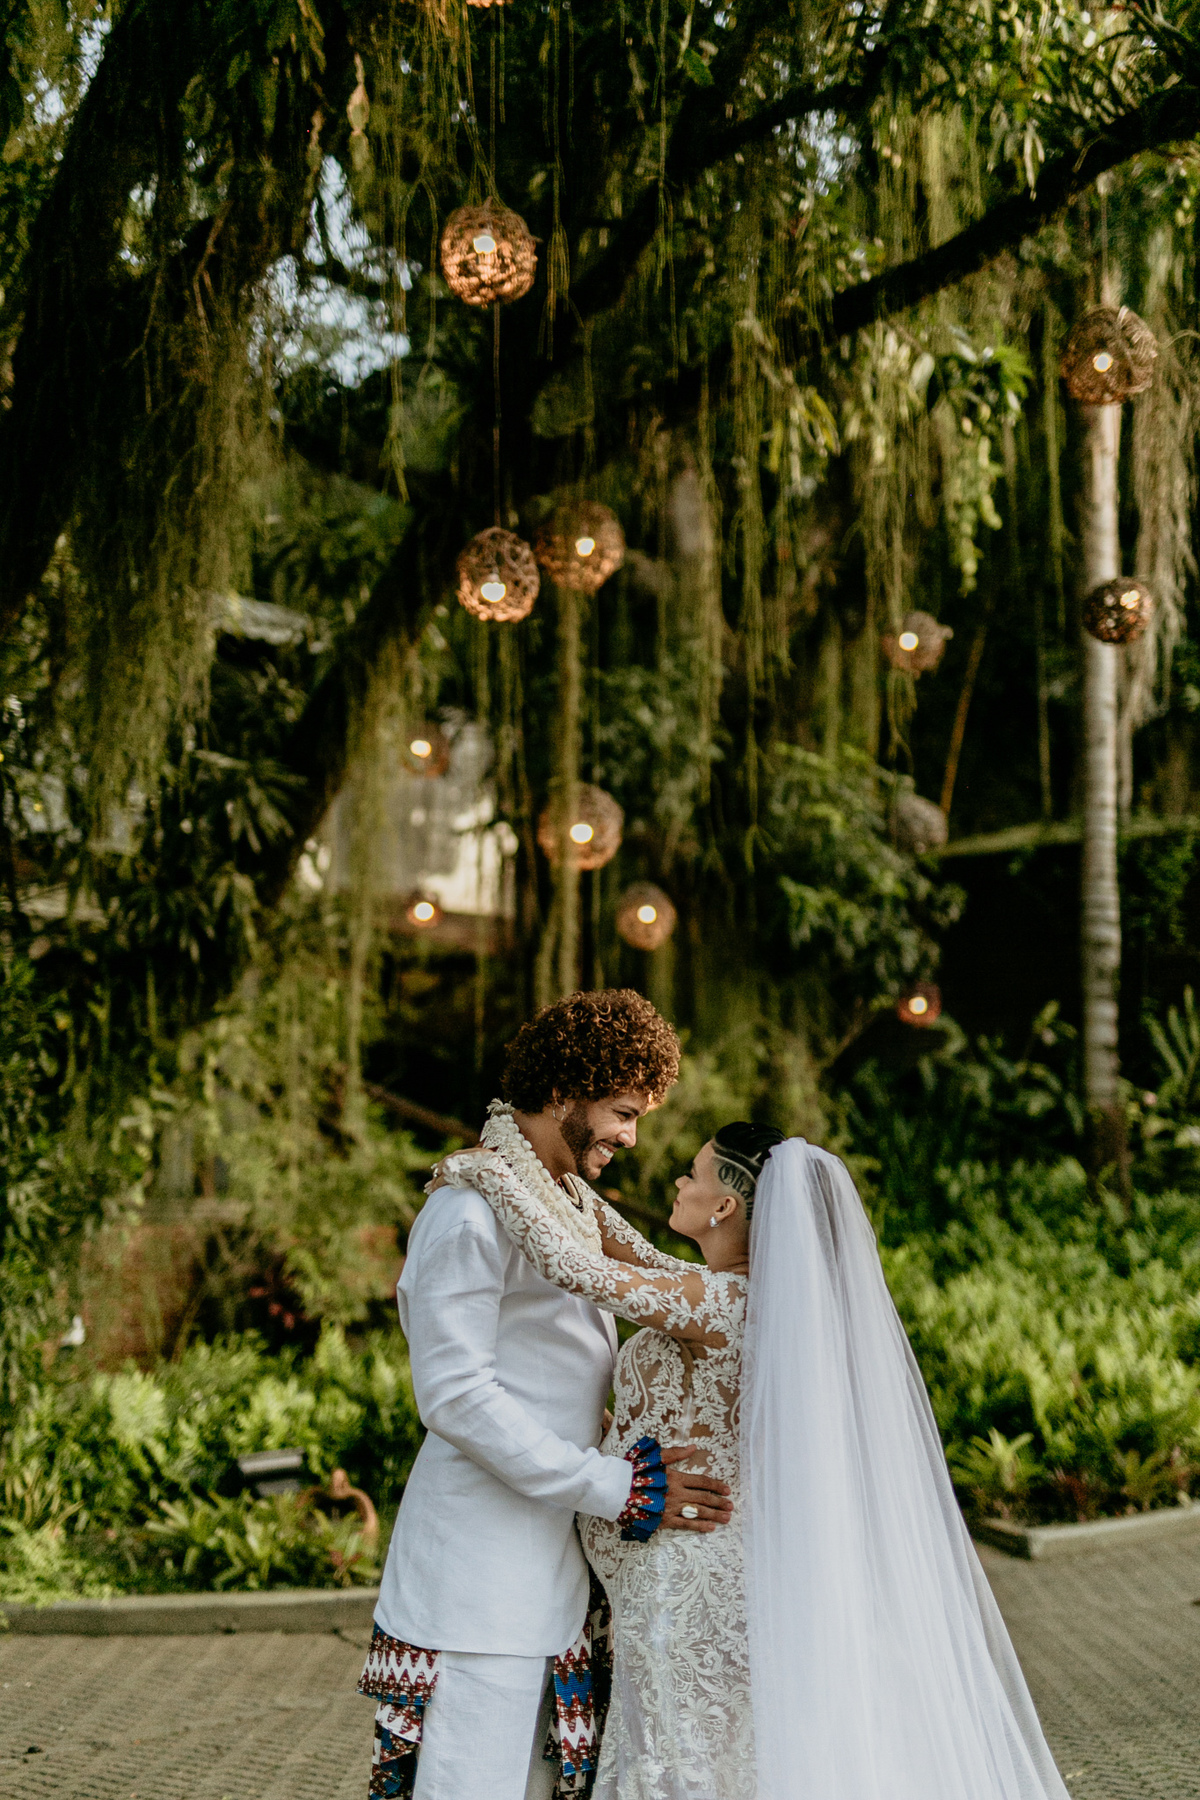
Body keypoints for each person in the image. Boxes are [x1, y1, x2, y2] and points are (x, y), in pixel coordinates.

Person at [440, 1128, 1074, 1800]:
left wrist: (486, 1172)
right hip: (686, 1570)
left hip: (684, 1581)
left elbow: (583, 1271)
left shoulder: (717, 1304)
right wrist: (545, 1166)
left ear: (724, 1208)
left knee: (680, 1768)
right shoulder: (728, 1296)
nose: (678, 1185)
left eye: (693, 1174)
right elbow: (630, 1250)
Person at [358, 989, 733, 1800]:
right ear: (565, 1090)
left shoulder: (560, 1208)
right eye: (623, 1112)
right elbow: (455, 1396)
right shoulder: (468, 1209)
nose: (630, 1138)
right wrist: (618, 1486)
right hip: (478, 1584)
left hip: (548, 1574)